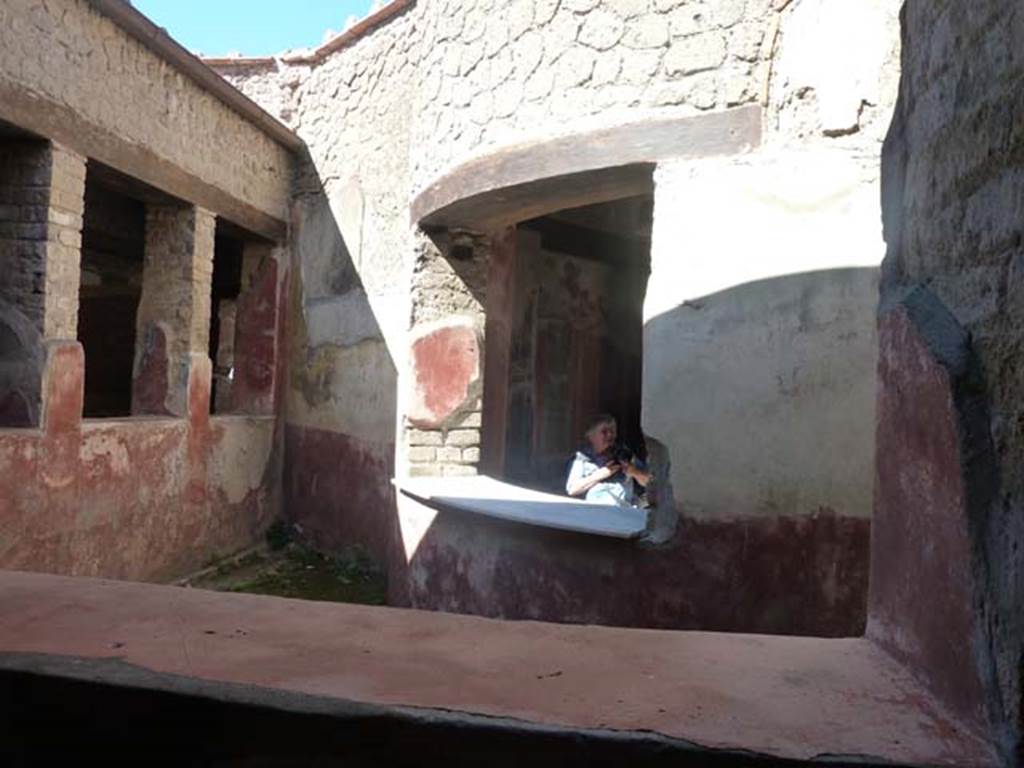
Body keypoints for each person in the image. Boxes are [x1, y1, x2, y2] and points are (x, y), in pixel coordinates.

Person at [565, 414, 651, 507]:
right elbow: (572, 489)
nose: (609, 435)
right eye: (604, 431)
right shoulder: (582, 458)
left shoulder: (625, 454)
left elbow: (650, 483)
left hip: (623, 510)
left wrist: (634, 472)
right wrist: (600, 475)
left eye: (612, 431)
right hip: (595, 510)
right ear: (591, 436)